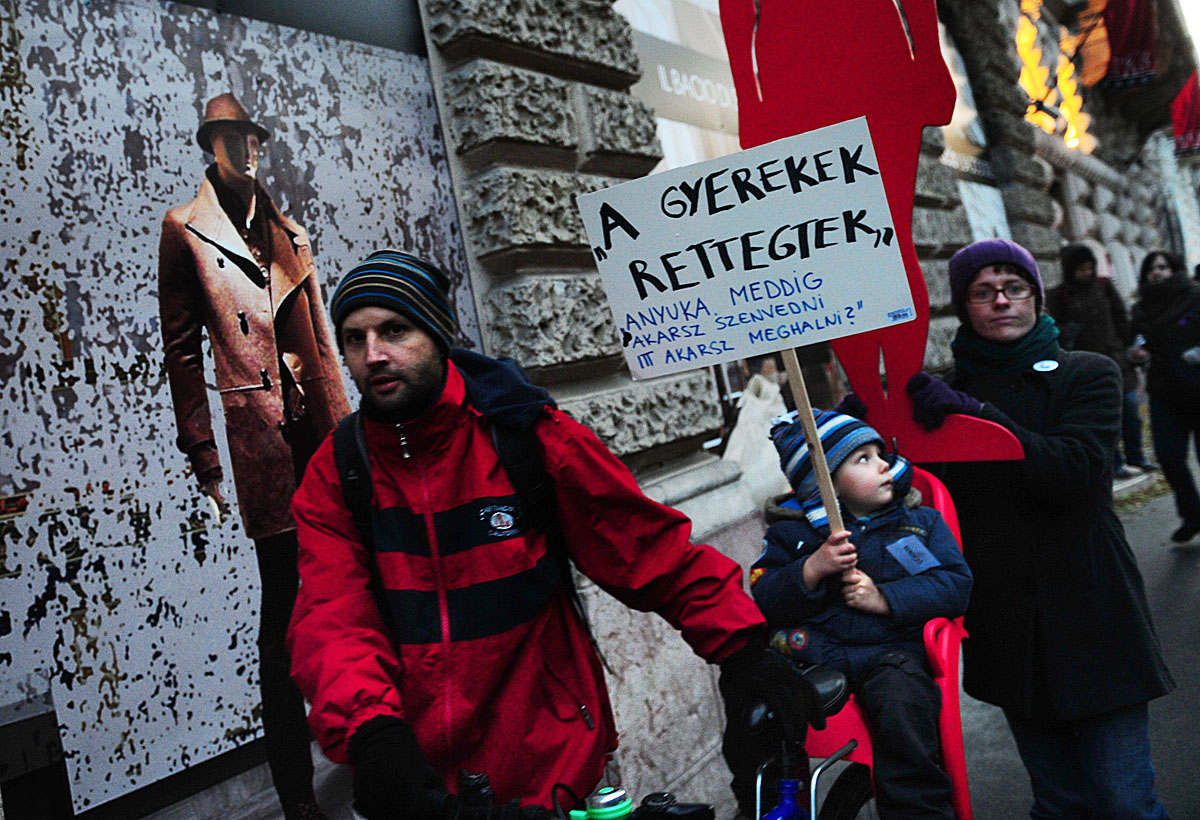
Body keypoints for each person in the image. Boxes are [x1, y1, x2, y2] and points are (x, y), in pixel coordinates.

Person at [285, 250, 824, 819]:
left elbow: (643, 546)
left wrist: (743, 649)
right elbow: (332, 611)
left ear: (438, 335)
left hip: (551, 763)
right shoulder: (338, 469)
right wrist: (372, 732)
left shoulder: (522, 435)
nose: (373, 355)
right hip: (420, 780)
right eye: (354, 338)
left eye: (395, 330)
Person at [903, 238, 1174, 819]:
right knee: (1058, 804)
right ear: (964, 306)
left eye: (1014, 288)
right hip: (1007, 626)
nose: (1000, 301)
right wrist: (877, 426)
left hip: (1094, 614)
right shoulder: (943, 392)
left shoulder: (1090, 372)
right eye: (983, 292)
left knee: (1123, 802)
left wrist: (976, 420)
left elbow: (1074, 472)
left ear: (1035, 297)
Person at [158, 92, 349, 820]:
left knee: (352, 583)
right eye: (231, 138)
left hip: (321, 436)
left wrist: (350, 435)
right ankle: (298, 800)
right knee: (282, 617)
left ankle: (378, 756)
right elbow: (180, 351)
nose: (246, 151)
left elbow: (324, 347)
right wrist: (202, 453)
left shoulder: (288, 232)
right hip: (261, 439)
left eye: (252, 139)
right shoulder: (187, 230)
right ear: (211, 145)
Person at [750, 410, 971, 820]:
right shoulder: (791, 535)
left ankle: (918, 811)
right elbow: (763, 599)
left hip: (890, 655)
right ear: (823, 485)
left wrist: (884, 598)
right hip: (815, 657)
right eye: (863, 459)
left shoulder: (917, 524)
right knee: (761, 706)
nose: (884, 463)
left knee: (902, 708)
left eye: (879, 453)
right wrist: (811, 570)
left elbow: (955, 586)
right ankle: (770, 803)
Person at [1046, 242, 1153, 478]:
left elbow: (1121, 319)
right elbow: (1052, 329)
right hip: (1086, 366)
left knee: (1130, 412)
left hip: (1117, 362)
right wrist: (1067, 332)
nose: (1086, 273)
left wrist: (1128, 345)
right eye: (1080, 269)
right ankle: (1114, 463)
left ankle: (1136, 456)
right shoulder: (1060, 295)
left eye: (1089, 267)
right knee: (1101, 417)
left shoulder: (1104, 287)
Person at [1131, 250, 1200, 544]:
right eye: (1151, 268)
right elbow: (1134, 340)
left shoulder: (1194, 297)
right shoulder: (1141, 309)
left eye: (1163, 267)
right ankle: (1192, 515)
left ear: (1175, 270)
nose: (1157, 273)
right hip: (1163, 391)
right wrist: (1136, 354)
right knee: (1169, 456)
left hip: (1198, 386)